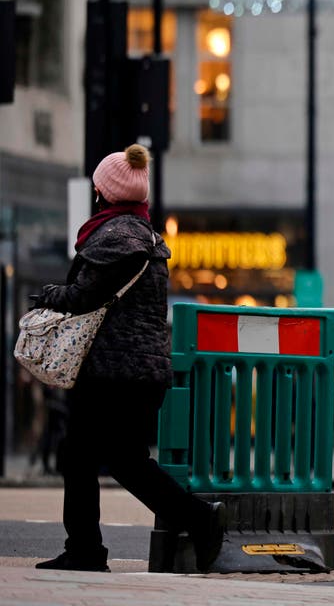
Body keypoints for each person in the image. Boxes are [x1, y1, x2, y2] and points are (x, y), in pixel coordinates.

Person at [33, 144, 226, 573]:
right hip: (146, 372)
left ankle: (87, 549)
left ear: (103, 192)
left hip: (111, 371)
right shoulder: (148, 238)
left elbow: (84, 296)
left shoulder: (112, 238)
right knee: (127, 461)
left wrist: (48, 296)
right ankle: (196, 518)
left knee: (80, 455)